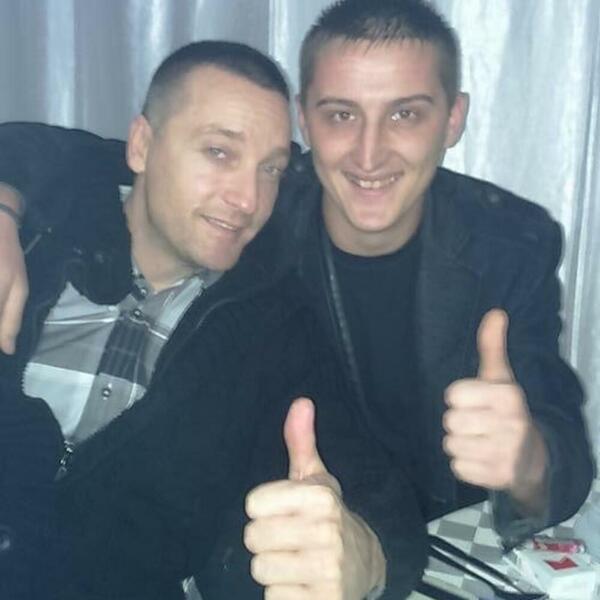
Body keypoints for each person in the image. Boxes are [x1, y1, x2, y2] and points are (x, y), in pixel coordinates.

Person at [0, 0, 595, 591]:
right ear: (306, 121)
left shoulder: (507, 245)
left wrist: (527, 460)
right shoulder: (257, 226)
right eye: (341, 115)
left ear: (453, 119)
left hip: (425, 534)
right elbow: (85, 155)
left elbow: (561, 440)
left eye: (405, 114)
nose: (369, 154)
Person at [0, 39, 428, 600]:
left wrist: (364, 556)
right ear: (142, 146)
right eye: (220, 152)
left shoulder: (273, 323)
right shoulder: (35, 239)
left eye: (270, 169)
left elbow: (374, 490)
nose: (249, 198)